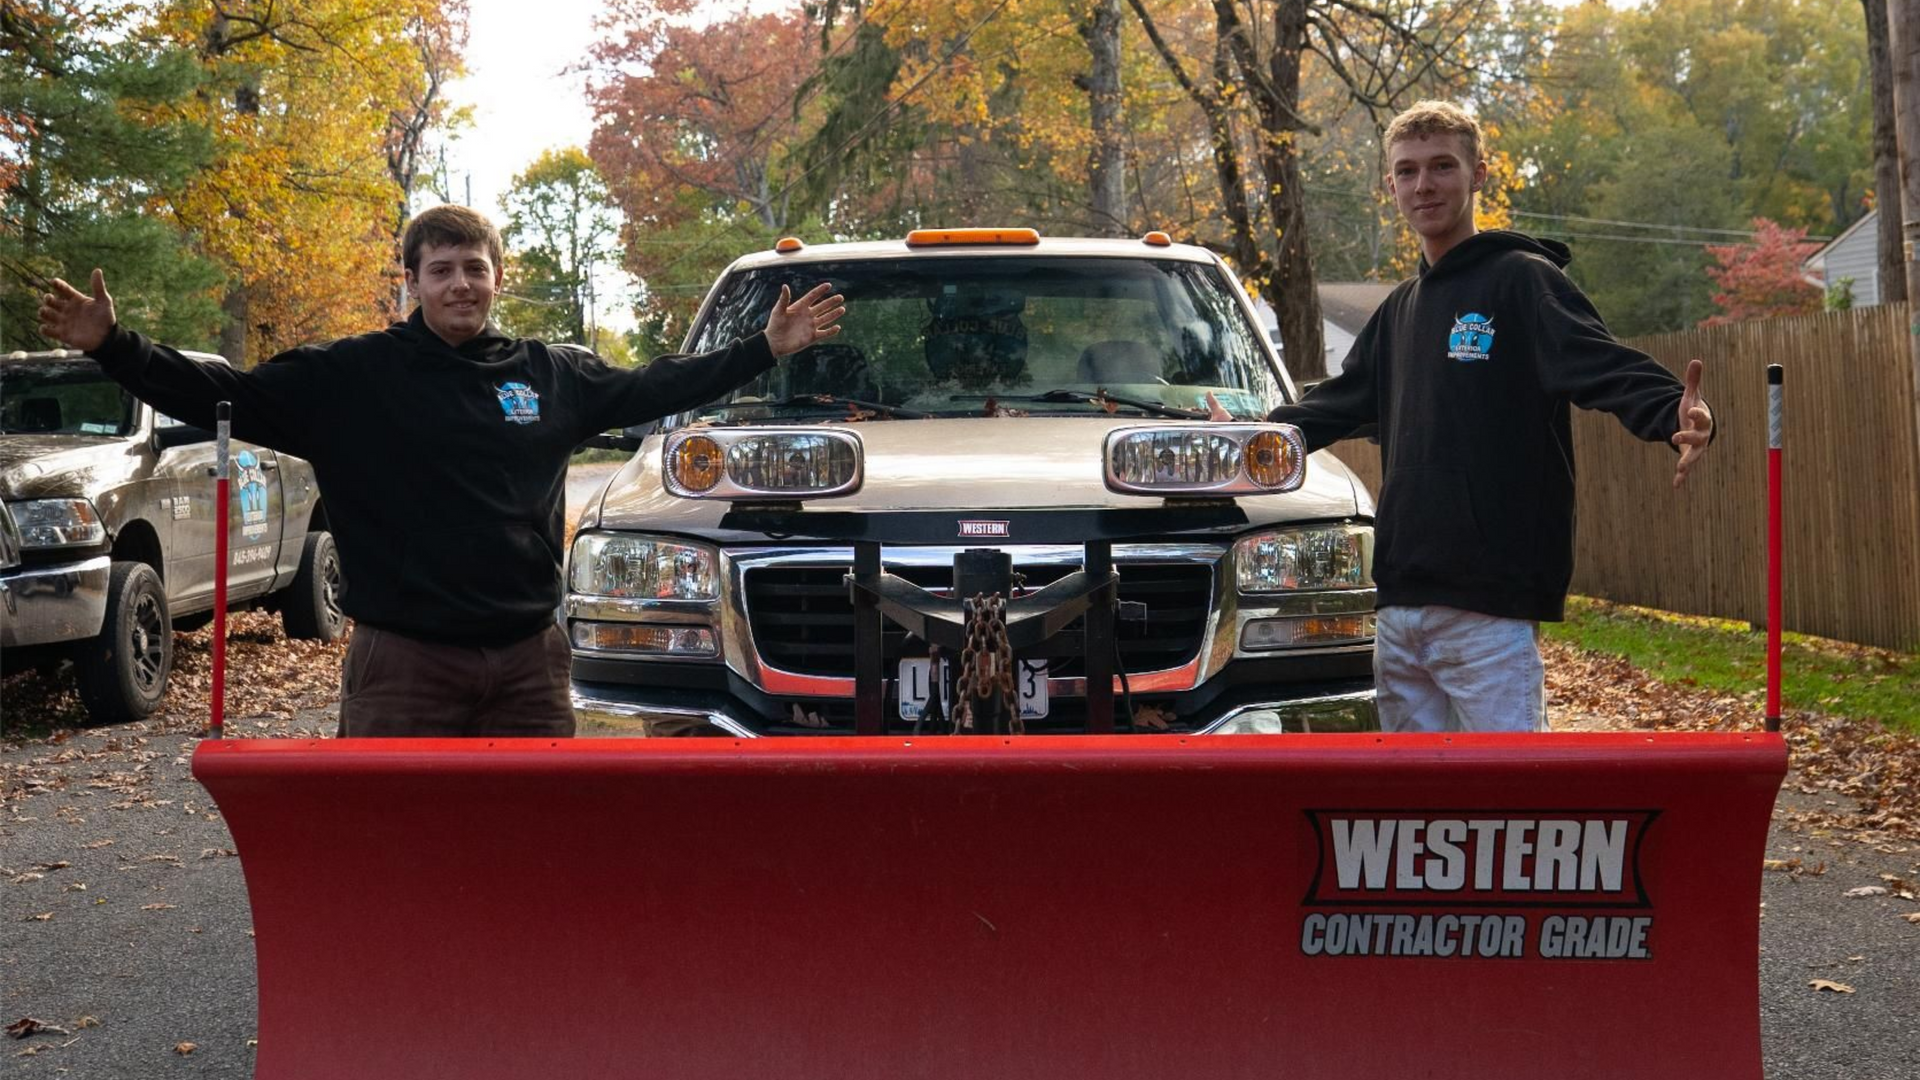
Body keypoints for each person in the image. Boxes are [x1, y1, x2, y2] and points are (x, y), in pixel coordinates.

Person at [36, 204, 846, 737]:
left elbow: (657, 383)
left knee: (531, 842)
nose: (461, 282)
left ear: (498, 276)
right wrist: (115, 346)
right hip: (404, 664)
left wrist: (761, 349)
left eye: (474, 267)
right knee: (395, 843)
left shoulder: (550, 374)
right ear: (413, 281)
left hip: (529, 661)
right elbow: (225, 391)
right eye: (442, 269)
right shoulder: (352, 377)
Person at [1254, 100, 1714, 733]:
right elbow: (1331, 405)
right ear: (1390, 186)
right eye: (1408, 171)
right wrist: (1253, 436)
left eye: (1443, 166)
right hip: (1399, 604)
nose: (1425, 185)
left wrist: (1671, 410)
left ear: (1480, 174)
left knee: (1510, 801)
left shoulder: (1522, 282)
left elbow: (1598, 362)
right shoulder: (1400, 310)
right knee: (1414, 811)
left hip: (1487, 609)